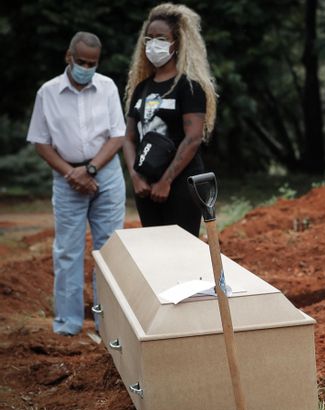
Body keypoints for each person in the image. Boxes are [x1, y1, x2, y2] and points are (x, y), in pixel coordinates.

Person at [26, 32, 126, 336]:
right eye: (81, 61)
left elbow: (118, 136)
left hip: (105, 173)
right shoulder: (48, 92)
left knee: (109, 250)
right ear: (69, 57)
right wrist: (73, 173)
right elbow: (40, 142)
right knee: (67, 251)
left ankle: (108, 326)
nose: (86, 67)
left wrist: (91, 169)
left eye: (92, 63)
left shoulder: (107, 87)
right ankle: (67, 325)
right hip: (66, 175)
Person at [122, 3, 217, 237]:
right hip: (145, 187)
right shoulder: (141, 88)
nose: (154, 44)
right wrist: (135, 176)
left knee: (182, 254)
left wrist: (166, 181)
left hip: (180, 186)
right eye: (149, 38)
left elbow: (193, 138)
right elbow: (129, 137)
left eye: (161, 38)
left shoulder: (189, 87)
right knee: (156, 253)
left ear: (176, 43)